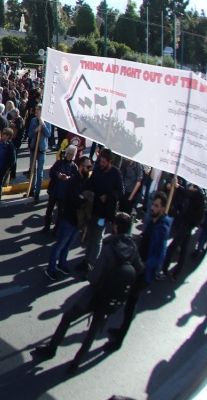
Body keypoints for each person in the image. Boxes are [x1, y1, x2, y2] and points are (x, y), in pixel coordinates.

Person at [32, 212, 143, 374]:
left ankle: (52, 348)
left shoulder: (109, 247)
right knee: (92, 333)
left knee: (68, 317)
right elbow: (139, 268)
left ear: (116, 227)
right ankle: (75, 363)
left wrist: (91, 274)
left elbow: (94, 277)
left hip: (94, 294)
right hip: (109, 297)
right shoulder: (133, 248)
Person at [106, 192, 172, 351]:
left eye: (156, 206)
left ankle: (119, 339)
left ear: (163, 208)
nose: (153, 208)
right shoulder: (152, 221)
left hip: (144, 273)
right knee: (128, 301)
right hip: (138, 267)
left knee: (130, 305)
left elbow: (160, 255)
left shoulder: (162, 227)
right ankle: (120, 330)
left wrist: (144, 265)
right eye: (153, 205)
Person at [45, 154, 94, 280]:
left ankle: (62, 264)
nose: (89, 169)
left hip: (78, 221)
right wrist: (84, 198)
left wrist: (84, 198)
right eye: (88, 166)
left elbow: (88, 197)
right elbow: (77, 201)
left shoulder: (86, 181)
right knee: (60, 245)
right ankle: (50, 268)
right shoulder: (73, 182)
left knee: (68, 246)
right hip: (68, 218)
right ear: (81, 166)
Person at [83, 148, 123, 272]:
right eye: (101, 161)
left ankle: (92, 264)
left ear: (110, 162)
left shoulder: (116, 174)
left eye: (104, 162)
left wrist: (108, 196)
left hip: (104, 213)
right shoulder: (97, 169)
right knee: (90, 236)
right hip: (93, 208)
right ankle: (86, 260)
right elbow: (91, 183)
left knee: (97, 238)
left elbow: (121, 192)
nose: (102, 164)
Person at [43, 146, 79, 235]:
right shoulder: (59, 163)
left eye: (72, 154)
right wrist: (58, 174)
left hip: (64, 194)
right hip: (55, 190)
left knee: (60, 213)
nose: (69, 155)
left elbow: (76, 180)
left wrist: (69, 178)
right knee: (49, 210)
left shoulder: (74, 167)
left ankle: (55, 230)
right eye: (69, 153)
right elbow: (51, 172)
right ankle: (46, 227)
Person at [26, 106, 52, 201]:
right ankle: (31, 189)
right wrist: (35, 130)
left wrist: (43, 125)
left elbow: (49, 134)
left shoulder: (47, 121)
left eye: (38, 109)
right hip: (33, 148)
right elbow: (29, 134)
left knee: (40, 172)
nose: (36, 111)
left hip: (41, 150)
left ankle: (37, 192)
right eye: (35, 109)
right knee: (33, 170)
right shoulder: (33, 121)